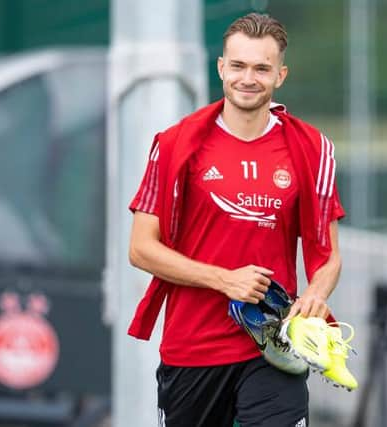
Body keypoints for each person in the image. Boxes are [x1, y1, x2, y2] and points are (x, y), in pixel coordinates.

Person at [128, 12, 345, 427]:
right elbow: (141, 248)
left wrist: (316, 294)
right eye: (239, 65)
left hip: (271, 347)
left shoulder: (313, 149)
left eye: (262, 68)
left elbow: (328, 255)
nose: (249, 78)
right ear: (221, 68)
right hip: (192, 348)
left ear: (280, 75)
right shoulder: (175, 144)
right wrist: (224, 279)